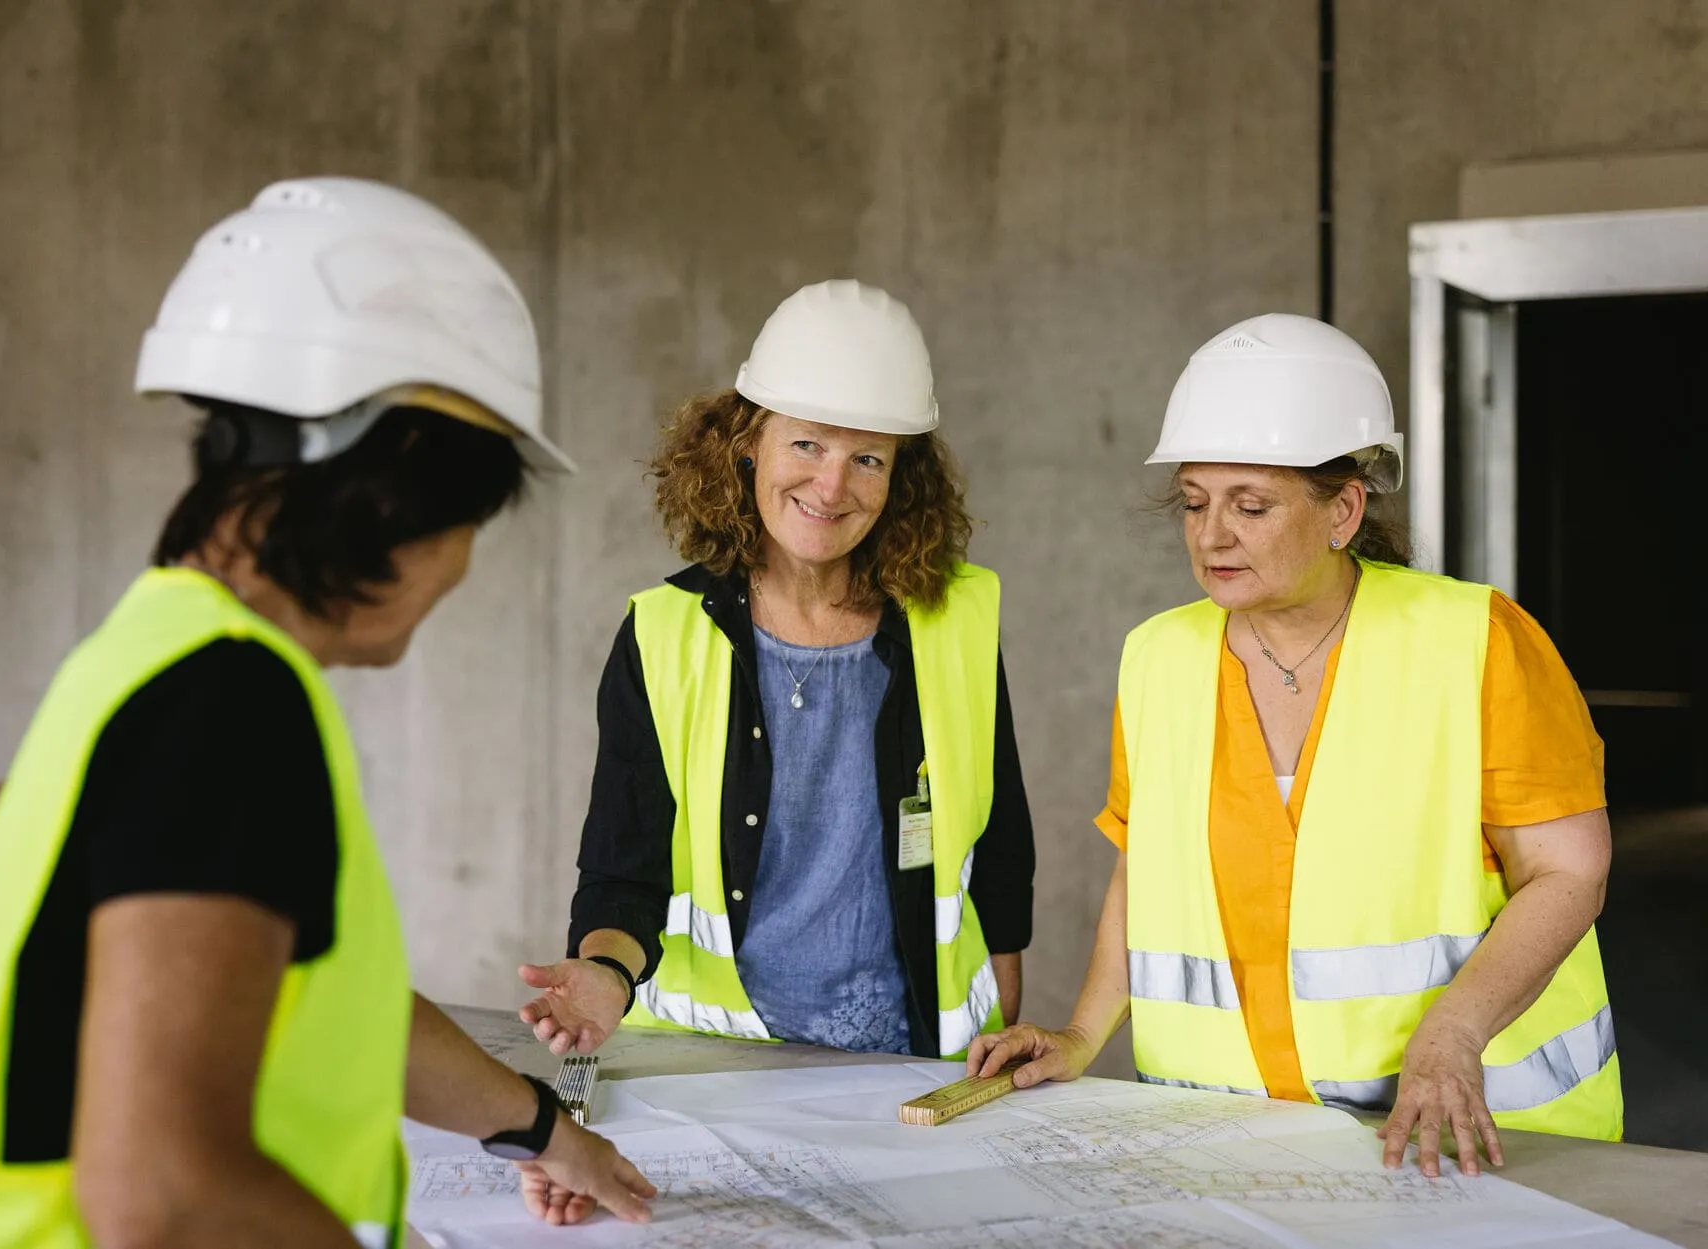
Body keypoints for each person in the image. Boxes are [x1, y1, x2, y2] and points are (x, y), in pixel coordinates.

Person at [0, 178, 653, 1248]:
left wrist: (542, 1129)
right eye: (474, 519)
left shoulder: (161, 648)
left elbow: (331, 1006)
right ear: (399, 484)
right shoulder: (229, 710)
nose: (461, 564)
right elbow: (166, 1190)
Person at [969, 313, 1619, 1178]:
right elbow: (1146, 870)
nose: (1211, 534)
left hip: (1465, 1138)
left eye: (1251, 505)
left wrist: (1455, 1029)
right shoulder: (1158, 656)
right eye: (1194, 502)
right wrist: (1084, 1032)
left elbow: (1569, 871)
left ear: (1343, 510)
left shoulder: (1475, 640)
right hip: (1226, 1141)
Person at [518, 279, 1036, 1062]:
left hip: (905, 1064)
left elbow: (999, 847)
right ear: (748, 441)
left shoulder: (956, 620)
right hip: (715, 1061)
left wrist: (1000, 1011)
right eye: (808, 445)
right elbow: (624, 869)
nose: (832, 486)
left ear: (900, 476)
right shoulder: (662, 636)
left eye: (867, 458)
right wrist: (604, 971)